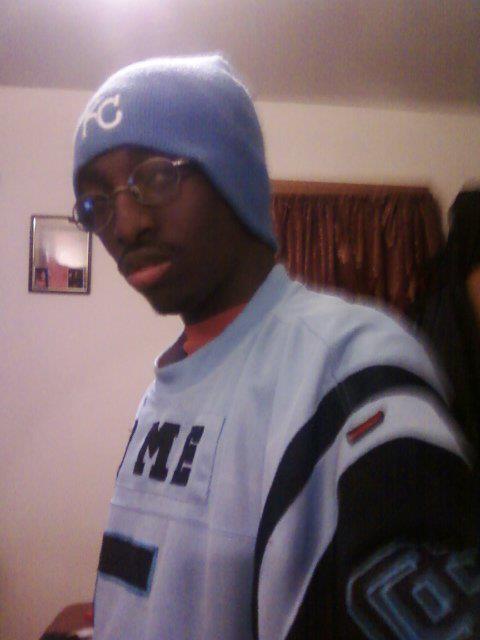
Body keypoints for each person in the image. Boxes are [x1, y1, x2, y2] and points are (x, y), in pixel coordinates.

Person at [43, 56, 478, 640]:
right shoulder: (169, 385)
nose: (123, 227)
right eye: (95, 204)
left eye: (155, 177)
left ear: (235, 180)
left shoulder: (351, 369)